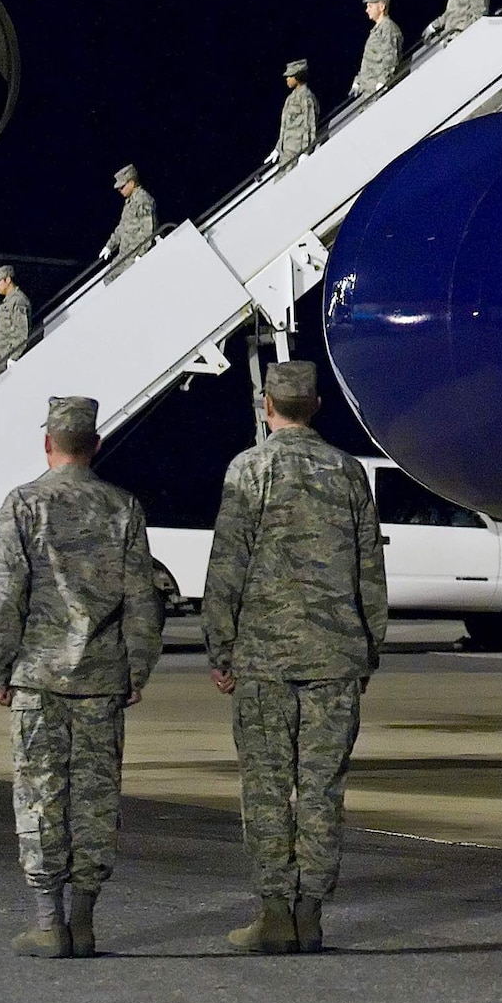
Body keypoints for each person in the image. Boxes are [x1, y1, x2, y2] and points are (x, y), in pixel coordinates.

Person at [204, 359, 387, 956]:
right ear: (317, 407)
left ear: (268, 406)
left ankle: (274, 910)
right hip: (335, 659)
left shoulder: (249, 470)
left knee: (265, 787)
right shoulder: (349, 473)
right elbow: (370, 571)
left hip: (264, 660)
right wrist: (368, 648)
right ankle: (310, 911)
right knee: (321, 789)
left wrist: (220, 646)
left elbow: (228, 565)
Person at [0, 396, 162, 959]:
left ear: (47, 444)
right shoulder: (121, 506)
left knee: (39, 797)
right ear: (96, 446)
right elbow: (142, 599)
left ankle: (47, 922)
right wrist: (137, 668)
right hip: (103, 679)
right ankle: (83, 921)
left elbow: (5, 596)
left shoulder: (24, 504)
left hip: (38, 677)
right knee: (95, 799)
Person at [100, 166, 156, 276]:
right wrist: (109, 246)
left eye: (122, 187)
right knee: (109, 276)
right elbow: (122, 227)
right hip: (126, 253)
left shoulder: (142, 199)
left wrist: (141, 254)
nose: (120, 191)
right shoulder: (129, 202)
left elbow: (148, 228)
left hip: (135, 252)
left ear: (131, 183)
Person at [0, 265, 33, 379]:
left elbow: (21, 332)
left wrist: (14, 357)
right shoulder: (7, 302)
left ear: (7, 280)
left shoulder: (18, 301)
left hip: (3, 358)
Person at [349, 0, 404, 98]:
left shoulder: (388, 28)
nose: (367, 10)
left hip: (377, 92)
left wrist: (382, 83)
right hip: (368, 92)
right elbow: (369, 61)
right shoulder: (376, 31)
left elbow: (390, 58)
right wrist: (358, 81)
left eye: (370, 6)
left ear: (381, 7)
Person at [271, 60, 319, 170]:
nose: (287, 79)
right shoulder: (290, 98)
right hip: (286, 152)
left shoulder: (306, 97)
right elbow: (285, 126)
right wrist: (278, 147)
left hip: (296, 151)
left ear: (298, 76)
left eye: (290, 76)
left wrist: (306, 151)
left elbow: (310, 125)